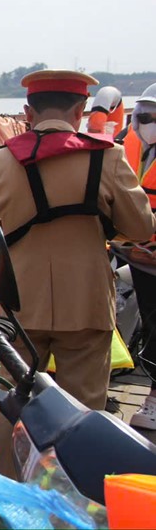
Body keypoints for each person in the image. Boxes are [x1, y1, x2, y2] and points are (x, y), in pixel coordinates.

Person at [0, 69, 155, 415]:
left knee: (16, 405)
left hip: (21, 304)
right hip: (87, 303)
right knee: (83, 412)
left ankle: (10, 467)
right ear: (80, 111)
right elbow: (142, 227)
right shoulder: (108, 157)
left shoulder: (1, 160)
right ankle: (76, 469)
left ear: (28, 113)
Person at [116, 83, 156, 430]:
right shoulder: (124, 148)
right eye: (143, 116)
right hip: (134, 255)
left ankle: (153, 397)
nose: (148, 123)